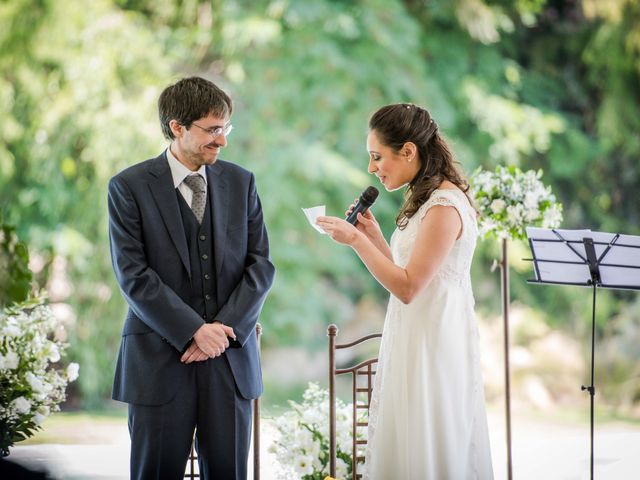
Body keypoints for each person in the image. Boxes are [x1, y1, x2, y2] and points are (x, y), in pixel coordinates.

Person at [108, 76, 275, 480]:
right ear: (176, 127)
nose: (222, 141)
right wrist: (193, 330)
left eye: (225, 128)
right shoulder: (128, 187)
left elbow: (260, 265)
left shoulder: (241, 182)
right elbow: (133, 276)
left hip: (229, 361)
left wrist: (223, 330)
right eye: (212, 129)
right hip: (159, 363)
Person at [316, 103, 494, 479]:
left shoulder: (444, 205)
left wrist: (355, 242)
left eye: (377, 157)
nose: (372, 168)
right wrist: (374, 238)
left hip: (434, 343)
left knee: (428, 444)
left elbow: (411, 287)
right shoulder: (427, 200)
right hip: (414, 335)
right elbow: (407, 274)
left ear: (409, 151)